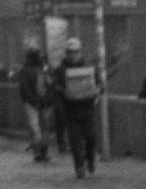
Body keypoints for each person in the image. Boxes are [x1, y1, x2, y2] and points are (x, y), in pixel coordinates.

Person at [53, 38, 102, 177]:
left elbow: (99, 84)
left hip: (87, 108)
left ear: (80, 52)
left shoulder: (89, 68)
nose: (73, 55)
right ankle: (79, 167)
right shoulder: (61, 70)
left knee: (91, 138)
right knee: (75, 141)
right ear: (66, 53)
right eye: (70, 52)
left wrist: (98, 90)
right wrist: (63, 90)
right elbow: (55, 86)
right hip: (71, 110)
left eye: (75, 52)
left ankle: (90, 159)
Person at [16, 47, 52, 162]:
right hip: (44, 102)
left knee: (35, 128)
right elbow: (50, 85)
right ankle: (43, 151)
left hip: (32, 103)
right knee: (44, 127)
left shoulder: (26, 70)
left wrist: (31, 100)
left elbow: (24, 88)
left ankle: (38, 151)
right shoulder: (43, 69)